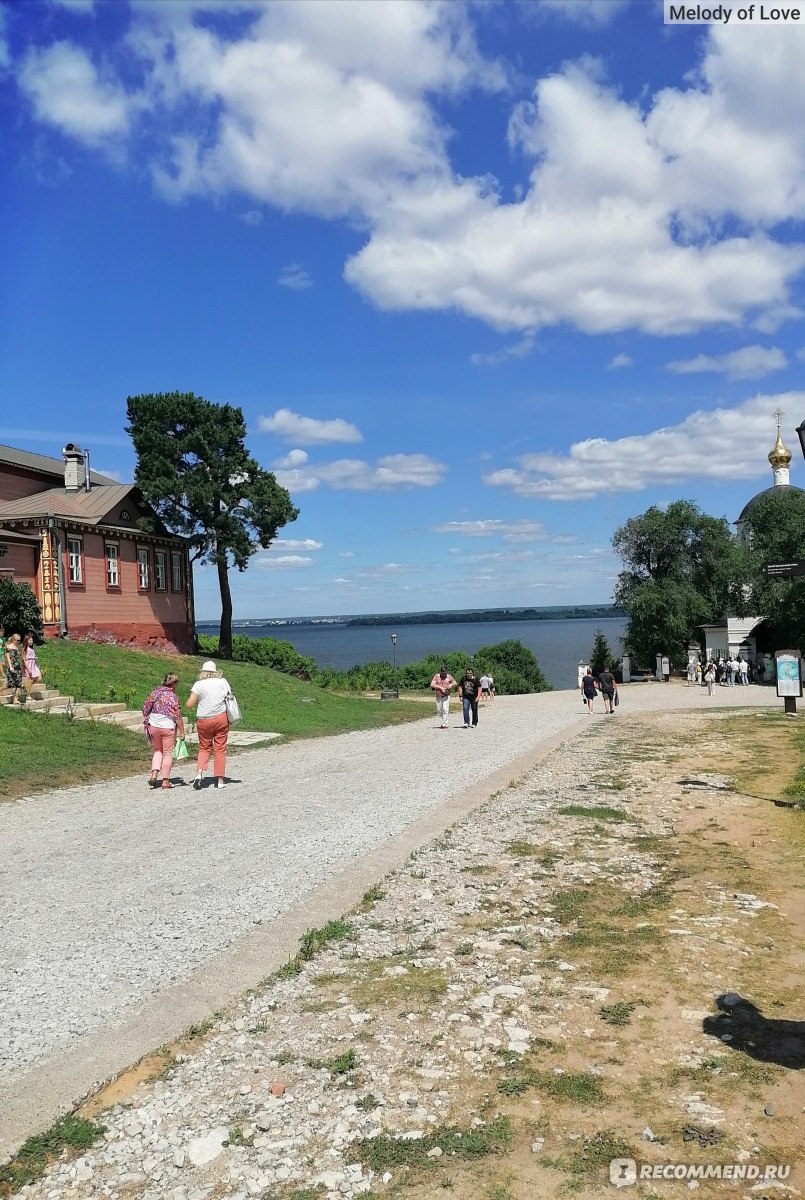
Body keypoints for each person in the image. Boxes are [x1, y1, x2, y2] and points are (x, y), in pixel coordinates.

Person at [186, 660, 232, 789]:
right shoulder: (222, 682)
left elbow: (189, 704)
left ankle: (199, 774)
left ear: (203, 672)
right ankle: (220, 780)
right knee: (220, 748)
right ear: (216, 672)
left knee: (204, 748)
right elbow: (229, 696)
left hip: (204, 720)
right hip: (220, 718)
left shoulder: (198, 685)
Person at [142, 672, 185, 790]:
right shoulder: (173, 697)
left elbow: (145, 707)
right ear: (173, 683)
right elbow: (177, 716)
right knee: (167, 753)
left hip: (154, 725)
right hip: (167, 727)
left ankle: (154, 775)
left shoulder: (155, 693)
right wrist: (182, 731)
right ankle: (165, 781)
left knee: (158, 750)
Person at [4, 633, 24, 704]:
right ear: (13, 640)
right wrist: (10, 666)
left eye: (19, 640)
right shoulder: (8, 647)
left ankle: (15, 700)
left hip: (18, 668)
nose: (19, 642)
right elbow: (8, 657)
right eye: (17, 640)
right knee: (10, 684)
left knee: (18, 684)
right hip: (11, 668)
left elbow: (17, 658)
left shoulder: (17, 647)